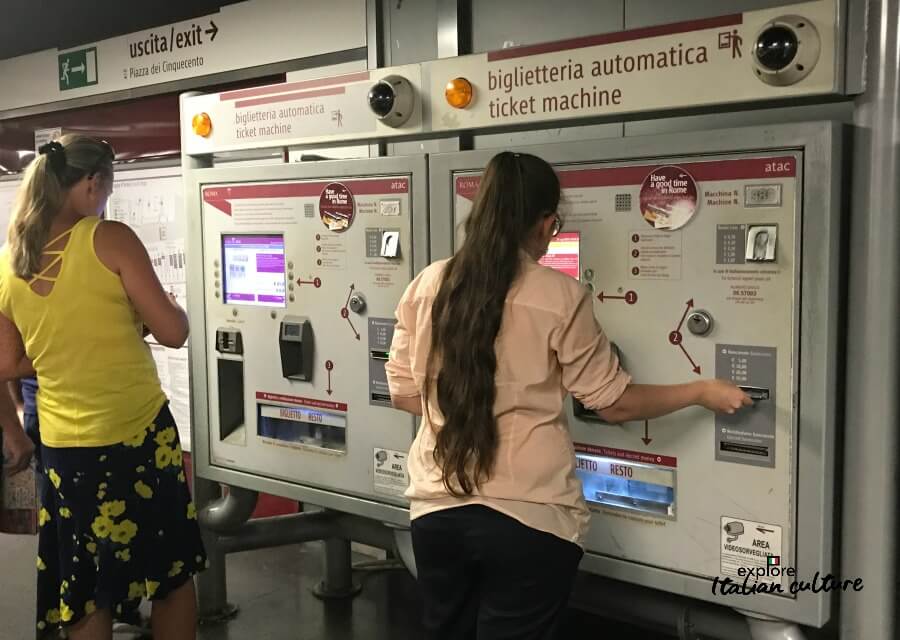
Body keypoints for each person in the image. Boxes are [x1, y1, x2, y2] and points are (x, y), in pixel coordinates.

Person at [385, 151, 752, 640]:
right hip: (529, 516)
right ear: (545, 222)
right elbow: (613, 402)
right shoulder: (558, 295)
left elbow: (404, 394)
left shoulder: (427, 284)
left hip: (436, 510)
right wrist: (702, 390)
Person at [0, 135, 206, 640]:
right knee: (171, 574)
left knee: (85, 584)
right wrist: (170, 306)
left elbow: (7, 361)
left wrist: (65, 351)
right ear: (92, 184)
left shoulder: (9, 262)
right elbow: (173, 332)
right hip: (136, 438)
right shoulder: (108, 237)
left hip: (67, 451)